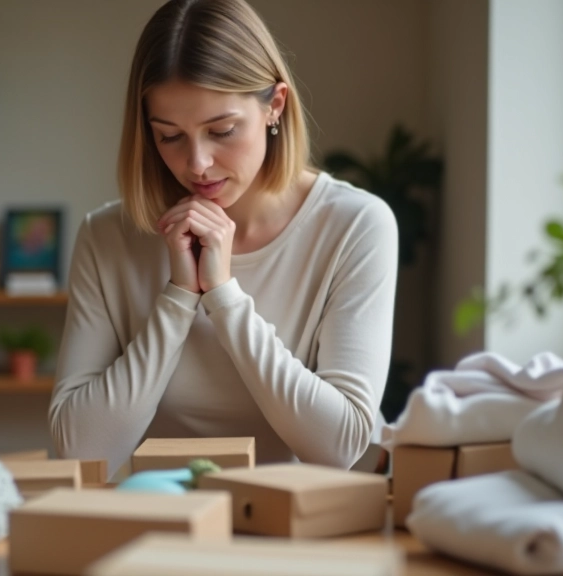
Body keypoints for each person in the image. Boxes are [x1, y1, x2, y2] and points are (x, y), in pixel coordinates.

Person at [48, 0, 398, 478]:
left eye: (222, 131)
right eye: (170, 136)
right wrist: (177, 298)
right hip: (160, 523)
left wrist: (224, 297)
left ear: (275, 106)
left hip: (306, 527)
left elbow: (341, 446)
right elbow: (78, 452)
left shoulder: (355, 226)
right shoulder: (107, 237)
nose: (197, 163)